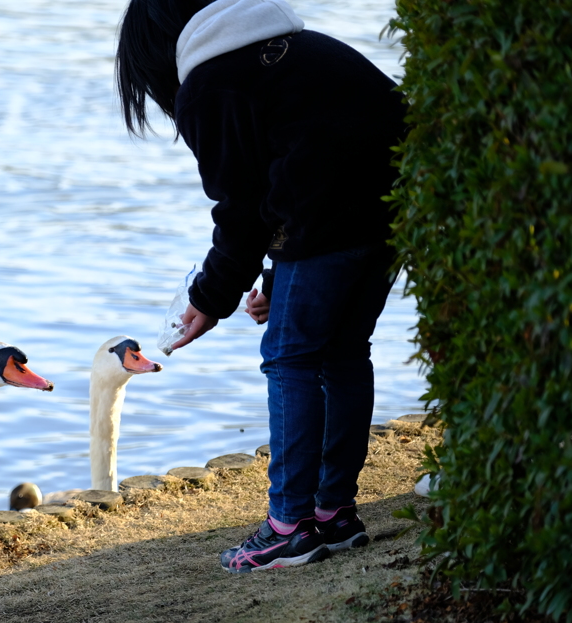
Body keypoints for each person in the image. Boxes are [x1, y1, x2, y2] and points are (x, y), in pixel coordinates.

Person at [115, 0, 408, 572]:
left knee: (288, 358)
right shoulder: (299, 49)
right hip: (390, 216)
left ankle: (289, 525)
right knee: (345, 353)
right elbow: (300, 168)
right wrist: (279, 276)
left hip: (327, 226)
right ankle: (334, 514)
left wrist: (208, 298)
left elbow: (244, 209)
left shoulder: (210, 82)